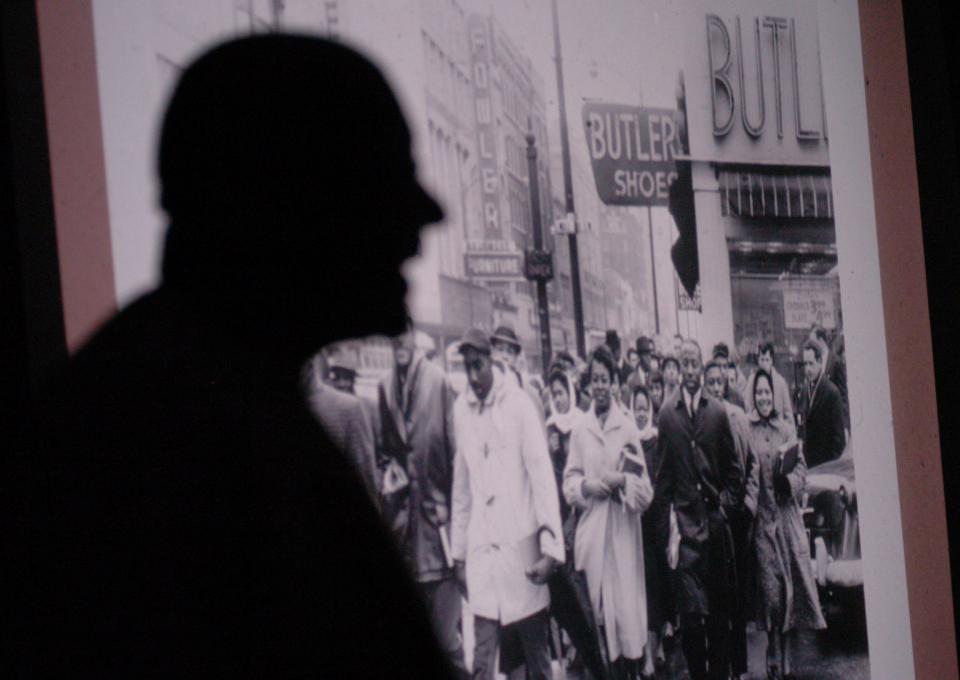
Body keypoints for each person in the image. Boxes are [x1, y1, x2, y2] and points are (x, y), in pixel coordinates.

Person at [2, 35, 454, 678]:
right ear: (289, 204)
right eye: (383, 179)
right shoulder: (184, 449)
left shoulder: (172, 405)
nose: (426, 215)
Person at [451, 329, 565, 680]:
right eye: (467, 368)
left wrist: (551, 548)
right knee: (483, 661)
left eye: (478, 366)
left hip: (523, 555)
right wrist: (459, 554)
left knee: (536, 660)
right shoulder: (461, 410)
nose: (473, 377)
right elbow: (462, 489)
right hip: (484, 558)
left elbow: (543, 479)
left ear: (492, 361)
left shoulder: (518, 405)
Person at [375, 328, 464, 672]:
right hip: (403, 536)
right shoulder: (384, 388)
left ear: (414, 338)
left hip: (439, 536)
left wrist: (456, 520)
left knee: (448, 641)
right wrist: (389, 473)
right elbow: (383, 452)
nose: (398, 344)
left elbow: (456, 457)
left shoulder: (438, 382)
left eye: (403, 336)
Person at [564, 346, 654, 679]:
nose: (599, 386)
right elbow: (569, 480)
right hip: (592, 537)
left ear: (614, 382)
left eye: (605, 379)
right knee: (597, 626)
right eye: (594, 380)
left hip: (622, 538)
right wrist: (586, 487)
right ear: (588, 384)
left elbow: (646, 492)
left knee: (626, 626)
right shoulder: (579, 428)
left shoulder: (627, 427)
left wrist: (622, 480)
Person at [657, 340, 744, 680]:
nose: (691, 371)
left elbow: (735, 472)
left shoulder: (717, 412)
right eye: (686, 364)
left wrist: (722, 505)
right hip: (685, 536)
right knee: (692, 621)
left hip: (715, 531)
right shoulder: (667, 415)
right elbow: (662, 481)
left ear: (701, 367)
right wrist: (666, 536)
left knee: (719, 619)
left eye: (695, 363)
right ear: (679, 369)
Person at [748, 370, 826, 680]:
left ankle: (787, 651)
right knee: (772, 593)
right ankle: (772, 647)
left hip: (787, 518)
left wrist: (789, 481)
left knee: (791, 589)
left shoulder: (785, 429)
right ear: (753, 396)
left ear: (774, 395)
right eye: (759, 393)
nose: (764, 397)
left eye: (768, 392)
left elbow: (802, 470)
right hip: (763, 521)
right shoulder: (748, 429)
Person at [703, 361, 760, 680]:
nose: (714, 386)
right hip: (713, 518)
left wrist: (749, 505)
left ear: (725, 386)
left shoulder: (738, 418)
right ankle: (720, 666)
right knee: (715, 597)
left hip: (736, 517)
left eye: (718, 382)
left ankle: (739, 666)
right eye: (709, 381)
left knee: (735, 596)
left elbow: (752, 465)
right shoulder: (701, 421)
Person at [632, 385, 673, 680]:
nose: (640, 412)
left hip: (657, 521)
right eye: (636, 407)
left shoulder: (658, 441)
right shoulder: (628, 442)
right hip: (636, 525)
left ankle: (658, 642)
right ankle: (647, 652)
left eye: (644, 407)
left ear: (651, 410)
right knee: (643, 588)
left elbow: (664, 480)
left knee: (659, 584)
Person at [303, 356, 379, 504]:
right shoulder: (328, 405)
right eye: (337, 377)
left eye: (347, 378)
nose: (342, 383)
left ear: (353, 381)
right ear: (331, 380)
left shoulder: (364, 407)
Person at [797, 339, 846, 468]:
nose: (807, 369)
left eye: (811, 364)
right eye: (805, 364)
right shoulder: (803, 391)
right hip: (808, 467)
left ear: (819, 362)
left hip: (826, 468)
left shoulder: (832, 393)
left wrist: (830, 467)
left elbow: (839, 441)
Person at [546, 369, 583, 524]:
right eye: (554, 395)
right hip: (558, 498)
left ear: (570, 393)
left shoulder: (582, 422)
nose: (557, 399)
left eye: (561, 393)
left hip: (581, 496)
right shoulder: (550, 426)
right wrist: (549, 452)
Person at [491, 324, 545, 421]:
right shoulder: (484, 389)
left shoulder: (528, 392)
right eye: (500, 349)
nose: (504, 356)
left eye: (510, 352)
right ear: (492, 352)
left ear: (516, 358)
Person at [744, 342, 794, 425]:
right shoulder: (752, 381)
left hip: (777, 430)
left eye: (767, 360)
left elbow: (788, 413)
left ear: (772, 361)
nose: (764, 364)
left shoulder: (781, 382)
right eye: (762, 360)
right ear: (758, 361)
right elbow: (748, 406)